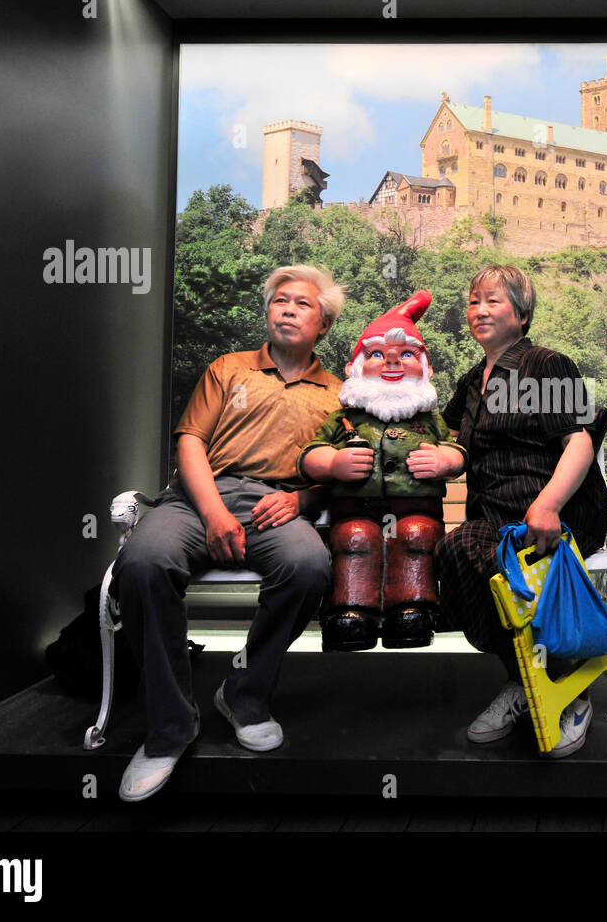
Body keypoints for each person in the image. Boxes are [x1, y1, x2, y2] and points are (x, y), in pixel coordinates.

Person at [113, 264, 345, 802]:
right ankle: (169, 727)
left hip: (278, 505)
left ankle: (244, 693)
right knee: (144, 563)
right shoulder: (229, 368)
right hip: (199, 498)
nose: (287, 309)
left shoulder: (338, 393)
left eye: (302, 304)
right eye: (279, 300)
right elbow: (190, 441)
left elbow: (334, 474)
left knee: (309, 567)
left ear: (325, 324)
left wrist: (301, 499)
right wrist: (215, 512)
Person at [435, 264, 607, 759]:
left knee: (501, 565)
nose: (479, 310)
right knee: (454, 552)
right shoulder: (472, 383)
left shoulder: (547, 365)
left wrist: (549, 503)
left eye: (493, 301)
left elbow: (578, 440)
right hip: (494, 518)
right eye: (473, 301)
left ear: (523, 314)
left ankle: (568, 687)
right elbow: (447, 442)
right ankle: (523, 678)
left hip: (554, 512)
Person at [299, 291, 466, 651]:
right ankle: (351, 611)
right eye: (377, 355)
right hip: (355, 510)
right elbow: (310, 454)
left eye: (407, 355)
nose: (392, 363)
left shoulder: (429, 419)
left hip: (417, 509)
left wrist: (446, 461)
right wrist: (332, 463)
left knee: (417, 535)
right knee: (355, 538)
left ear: (426, 369)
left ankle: (413, 609)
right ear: (354, 367)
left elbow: (457, 450)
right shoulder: (342, 418)